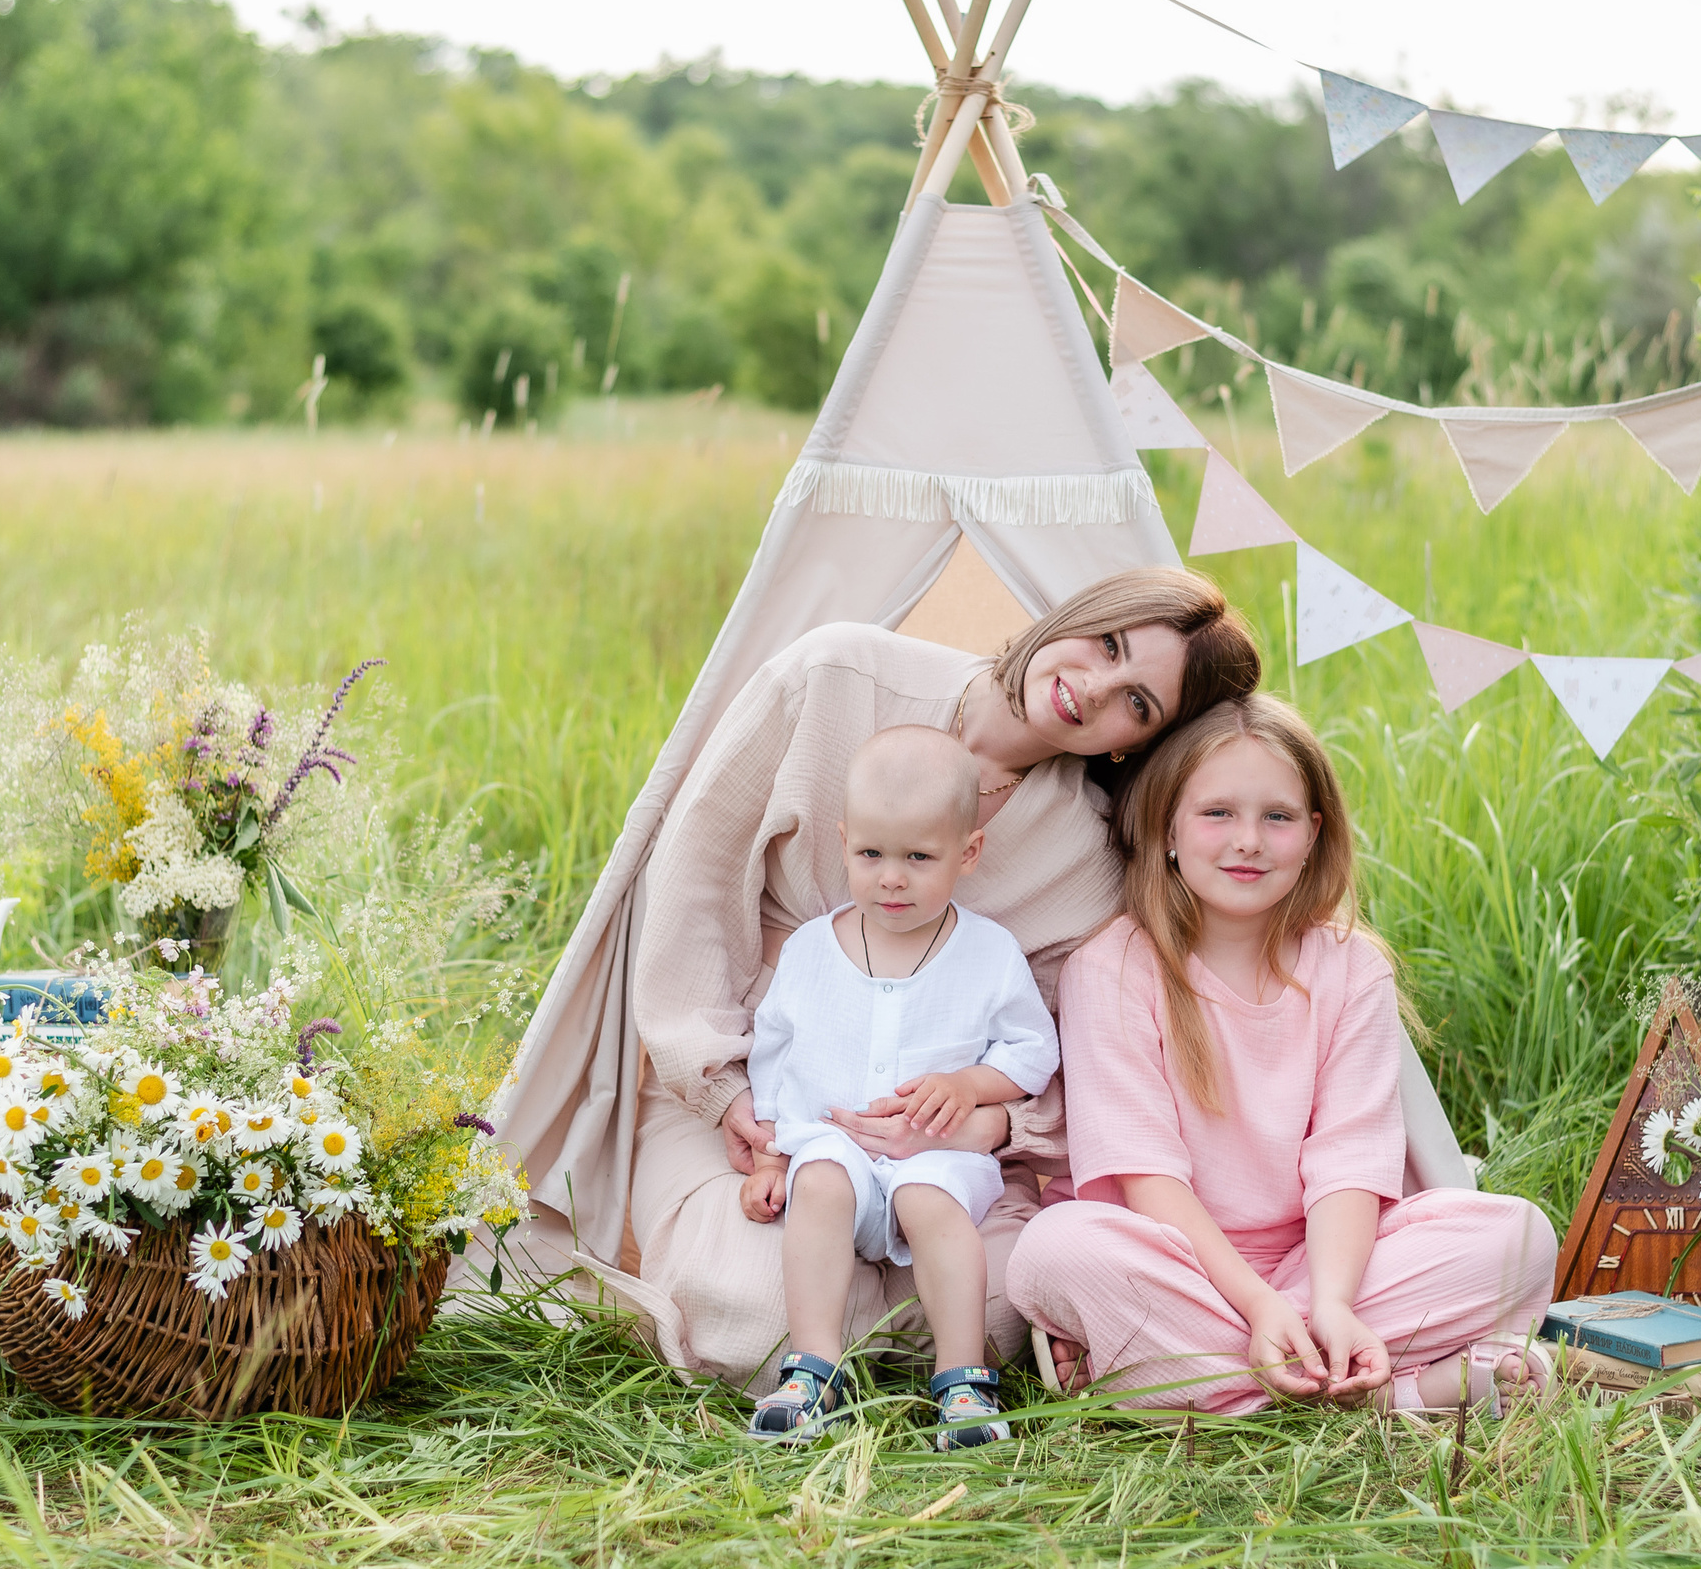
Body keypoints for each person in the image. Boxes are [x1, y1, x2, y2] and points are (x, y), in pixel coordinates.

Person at [489, 566, 1263, 1392]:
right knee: (752, 1313)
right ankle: (826, 1332)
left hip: (933, 1153)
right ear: (1074, 613)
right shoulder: (834, 679)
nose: (1096, 686)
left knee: (1000, 1302)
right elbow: (696, 882)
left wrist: (990, 1127)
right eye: (1107, 645)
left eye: (1136, 702)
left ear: (1132, 743)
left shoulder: (1083, 857)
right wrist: (728, 1095)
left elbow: (1058, 1048)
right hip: (764, 1107)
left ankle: (923, 1350)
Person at [1008, 695, 1559, 1416]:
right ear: (1167, 825)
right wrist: (1259, 1305)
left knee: (1519, 1235)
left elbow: (1350, 1158)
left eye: (1278, 816)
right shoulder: (1112, 967)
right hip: (1177, 1259)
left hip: (1331, 1258)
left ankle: (1201, 1378)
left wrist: (1328, 1301)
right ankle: (1389, 1389)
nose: (1249, 840)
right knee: (1054, 1248)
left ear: (1313, 834)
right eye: (1217, 814)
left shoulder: (1350, 967)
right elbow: (1147, 1177)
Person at [739, 726, 1057, 1448]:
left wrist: (969, 1084)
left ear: (968, 852)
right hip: (833, 1141)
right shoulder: (813, 949)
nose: (891, 878)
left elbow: (1035, 1050)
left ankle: (964, 1381)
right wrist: (771, 1154)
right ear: (845, 842)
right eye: (871, 854)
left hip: (938, 1154)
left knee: (927, 1198)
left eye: (919, 857)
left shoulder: (988, 952)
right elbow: (775, 1055)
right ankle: (811, 1369)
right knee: (821, 1181)